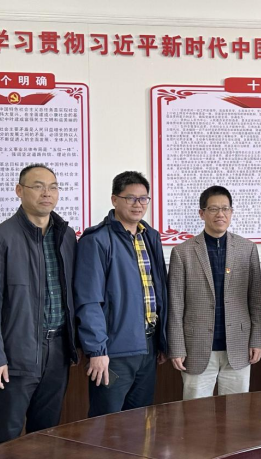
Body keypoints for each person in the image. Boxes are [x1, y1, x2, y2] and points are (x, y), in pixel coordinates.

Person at [0, 164, 78, 447]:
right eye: (38, 186)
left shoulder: (66, 236)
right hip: (17, 353)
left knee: (47, 433)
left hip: (58, 350)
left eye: (53, 187)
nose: (47, 193)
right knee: (6, 435)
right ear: (19, 191)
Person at [74, 171, 168, 416]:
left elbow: (159, 290)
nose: (138, 204)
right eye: (130, 198)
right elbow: (89, 301)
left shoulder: (150, 236)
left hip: (148, 346)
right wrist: (97, 351)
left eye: (143, 198)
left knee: (139, 421)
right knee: (106, 423)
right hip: (114, 351)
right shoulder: (96, 240)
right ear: (114, 199)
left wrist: (162, 341)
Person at [168, 186, 261, 399]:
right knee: (195, 413)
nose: (220, 214)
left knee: (237, 412)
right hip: (196, 347)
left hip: (238, 346)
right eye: (213, 209)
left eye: (225, 209)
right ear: (201, 213)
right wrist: (176, 346)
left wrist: (257, 340)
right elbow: (175, 305)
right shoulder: (182, 252)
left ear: (231, 212)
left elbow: (256, 301)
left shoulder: (247, 249)